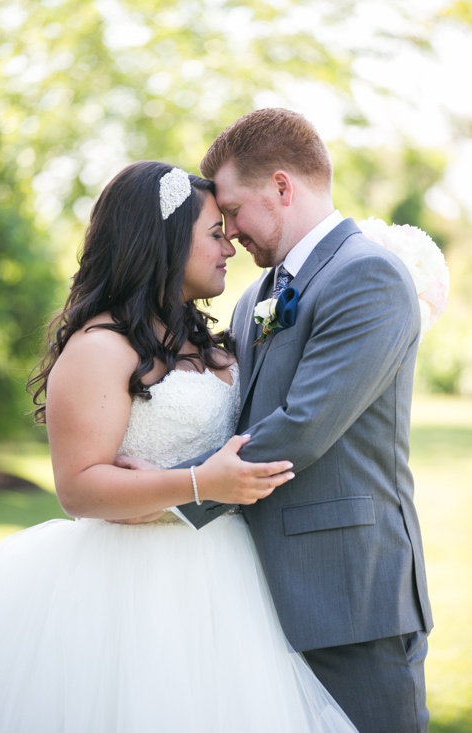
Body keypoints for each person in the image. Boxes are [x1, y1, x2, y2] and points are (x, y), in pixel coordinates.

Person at [0, 161, 357, 732]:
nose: (230, 245)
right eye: (214, 233)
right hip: (132, 588)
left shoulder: (213, 339)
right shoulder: (99, 348)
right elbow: (78, 488)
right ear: (161, 242)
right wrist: (198, 484)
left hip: (232, 576)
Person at [164, 108, 431, 733]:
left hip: (351, 594)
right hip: (254, 592)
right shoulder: (258, 295)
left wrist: (168, 489)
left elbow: (303, 428)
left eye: (232, 210)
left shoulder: (368, 275)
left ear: (282, 187)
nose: (227, 232)